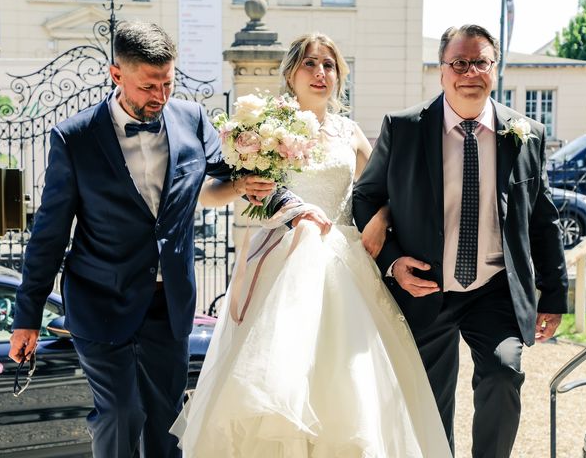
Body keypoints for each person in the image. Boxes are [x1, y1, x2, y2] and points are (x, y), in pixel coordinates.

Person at [7, 21, 297, 458]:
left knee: (167, 426)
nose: (159, 96)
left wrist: (276, 189)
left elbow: (231, 174)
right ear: (116, 74)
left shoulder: (192, 119)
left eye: (167, 83)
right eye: (148, 86)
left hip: (169, 303)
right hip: (100, 300)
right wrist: (26, 316)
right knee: (121, 414)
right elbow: (48, 234)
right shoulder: (74, 138)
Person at [170, 32, 452, 457]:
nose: (320, 73)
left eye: (329, 65)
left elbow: (385, 192)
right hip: (280, 263)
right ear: (290, 73)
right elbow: (209, 192)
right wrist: (243, 184)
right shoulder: (265, 127)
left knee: (350, 379)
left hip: (345, 262)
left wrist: (382, 216)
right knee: (278, 376)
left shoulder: (351, 132)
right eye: (310, 64)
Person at [353, 24, 569, 457]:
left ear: (495, 67)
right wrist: (394, 263)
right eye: (459, 62)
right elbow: (366, 198)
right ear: (442, 71)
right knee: (429, 403)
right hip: (426, 287)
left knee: (504, 372)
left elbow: (543, 218)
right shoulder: (405, 128)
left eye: (481, 62)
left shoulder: (525, 133)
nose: (470, 72)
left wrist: (554, 294)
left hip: (494, 290)